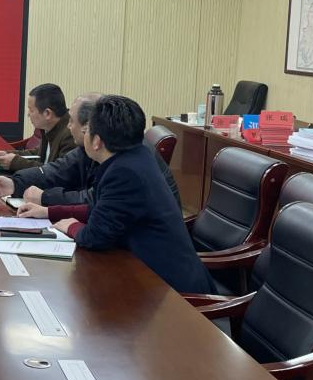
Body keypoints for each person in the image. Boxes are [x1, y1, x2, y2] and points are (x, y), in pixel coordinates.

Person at [50, 95, 215, 295]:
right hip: (149, 280)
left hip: (172, 293)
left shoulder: (124, 173)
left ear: (97, 141)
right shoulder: (135, 157)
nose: (84, 136)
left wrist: (71, 226)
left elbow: (95, 237)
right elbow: (101, 210)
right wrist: (50, 212)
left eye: (86, 131)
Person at [0, 93, 181, 210]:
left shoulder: (124, 158)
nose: (68, 126)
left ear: (90, 126)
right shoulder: (92, 147)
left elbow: (94, 200)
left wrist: (45, 199)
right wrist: (16, 184)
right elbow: (58, 170)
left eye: (72, 121)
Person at [0, 83, 76, 172]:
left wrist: (15, 162)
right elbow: (37, 154)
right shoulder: (49, 127)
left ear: (47, 113)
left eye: (31, 110)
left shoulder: (71, 134)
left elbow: (58, 172)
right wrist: (7, 154)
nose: (28, 114)